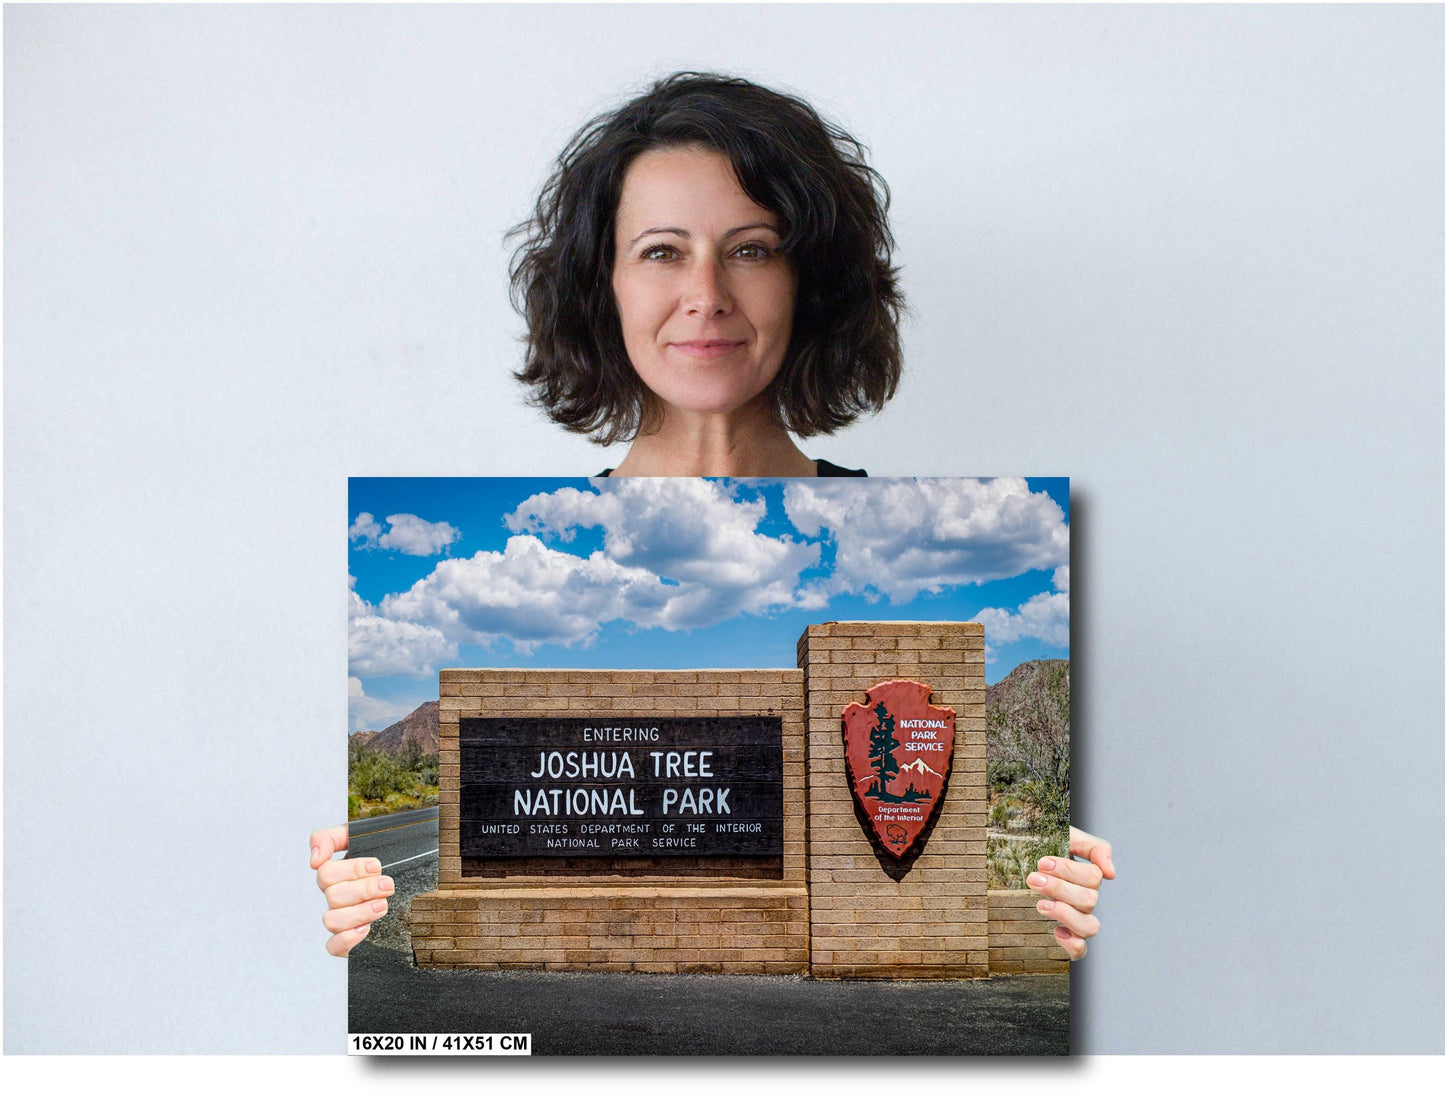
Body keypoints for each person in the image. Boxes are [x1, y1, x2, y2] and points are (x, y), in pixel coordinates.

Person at [315, 72, 1114, 960]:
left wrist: (1081, 917)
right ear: (602, 285)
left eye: (752, 248)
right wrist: (331, 919)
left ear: (809, 282)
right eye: (661, 251)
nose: (707, 293)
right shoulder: (528, 544)